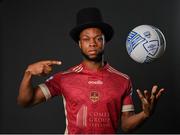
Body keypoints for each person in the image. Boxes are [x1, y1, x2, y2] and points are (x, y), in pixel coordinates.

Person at [17, 7, 164, 134]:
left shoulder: (123, 80)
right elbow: (26, 101)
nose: (92, 43)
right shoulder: (64, 78)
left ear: (104, 41)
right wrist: (28, 73)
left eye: (98, 38)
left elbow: (126, 126)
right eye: (86, 39)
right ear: (80, 44)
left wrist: (145, 114)